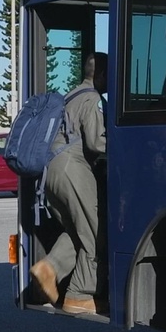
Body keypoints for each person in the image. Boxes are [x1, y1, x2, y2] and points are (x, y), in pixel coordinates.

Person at [30, 53, 109, 315]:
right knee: (95, 233)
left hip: (50, 172)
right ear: (101, 75)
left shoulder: (70, 96)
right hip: (73, 169)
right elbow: (96, 143)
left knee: (77, 230)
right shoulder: (93, 98)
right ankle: (80, 294)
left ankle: (49, 268)